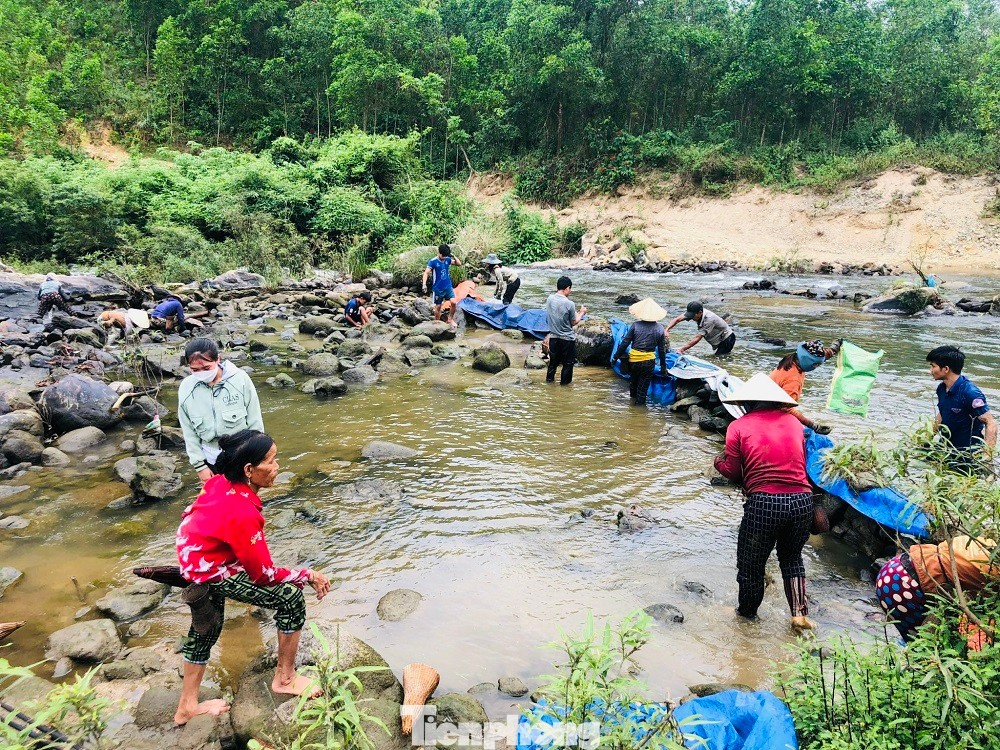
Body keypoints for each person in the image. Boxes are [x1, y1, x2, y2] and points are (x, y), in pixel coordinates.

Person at [173, 429, 332, 725]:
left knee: (205, 628)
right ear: (249, 470)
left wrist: (200, 556)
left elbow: (190, 515)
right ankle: (285, 680)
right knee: (290, 598)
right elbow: (263, 575)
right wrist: (306, 574)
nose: (277, 467)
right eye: (271, 461)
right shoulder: (242, 512)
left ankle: (186, 707)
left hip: (194, 557)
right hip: (211, 567)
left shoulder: (218, 482)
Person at [713, 373, 816, 632]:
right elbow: (800, 463)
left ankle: (747, 619)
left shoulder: (738, 426)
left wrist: (718, 462)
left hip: (765, 503)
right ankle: (799, 616)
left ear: (747, 403)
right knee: (792, 559)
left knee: (751, 565)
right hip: (802, 500)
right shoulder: (794, 425)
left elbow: (734, 471)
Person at [876, 535, 997, 645]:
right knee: (924, 645)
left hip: (895, 566)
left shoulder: (987, 544)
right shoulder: (993, 573)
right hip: (903, 587)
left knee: (913, 639)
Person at [178, 338, 264, 484]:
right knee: (217, 501)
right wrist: (200, 466)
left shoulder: (240, 379)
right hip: (210, 458)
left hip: (241, 454)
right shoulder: (187, 388)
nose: (201, 373)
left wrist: (256, 456)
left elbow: (255, 421)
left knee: (244, 499)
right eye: (195, 370)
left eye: (206, 368)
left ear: (218, 359)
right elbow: (189, 431)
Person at [927, 345, 997, 465]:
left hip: (967, 455)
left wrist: (987, 458)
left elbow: (990, 423)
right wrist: (925, 439)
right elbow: (942, 413)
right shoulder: (942, 389)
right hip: (945, 450)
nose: (931, 371)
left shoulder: (970, 393)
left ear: (946, 369)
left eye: (933, 366)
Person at [770, 339, 842, 434]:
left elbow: (820, 357)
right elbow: (785, 408)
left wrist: (834, 349)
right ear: (807, 361)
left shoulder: (794, 359)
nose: (817, 367)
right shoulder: (793, 379)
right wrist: (813, 425)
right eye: (816, 365)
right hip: (770, 411)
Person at [613, 298, 669, 406]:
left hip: (634, 361)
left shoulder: (635, 325)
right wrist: (663, 367)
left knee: (633, 384)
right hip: (648, 363)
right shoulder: (660, 329)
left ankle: (632, 408)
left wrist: (615, 357)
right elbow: (662, 350)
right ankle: (638, 411)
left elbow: (625, 343)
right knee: (642, 390)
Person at [545, 276, 587, 385]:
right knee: (567, 364)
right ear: (567, 288)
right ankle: (564, 387)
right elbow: (574, 322)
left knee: (553, 364)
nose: (570, 291)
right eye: (570, 289)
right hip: (567, 339)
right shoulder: (569, 304)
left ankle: (549, 383)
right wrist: (582, 312)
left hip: (554, 337)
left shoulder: (549, 299)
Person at [666, 301, 736, 356]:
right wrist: (666, 330)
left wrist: (682, 350)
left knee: (719, 359)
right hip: (718, 338)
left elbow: (697, 338)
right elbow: (677, 319)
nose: (691, 318)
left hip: (727, 339)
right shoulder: (693, 311)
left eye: (693, 316)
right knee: (720, 356)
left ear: (700, 313)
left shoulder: (709, 319)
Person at [422, 244, 463, 327]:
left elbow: (459, 264)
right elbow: (426, 272)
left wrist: (453, 256)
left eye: (445, 256)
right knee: (438, 306)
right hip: (438, 288)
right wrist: (424, 284)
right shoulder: (433, 261)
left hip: (448, 286)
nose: (443, 257)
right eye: (442, 255)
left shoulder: (448, 259)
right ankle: (437, 323)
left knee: (454, 302)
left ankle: (450, 319)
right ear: (439, 252)